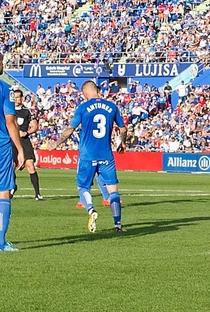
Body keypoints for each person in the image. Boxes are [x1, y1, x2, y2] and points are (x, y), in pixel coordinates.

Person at [50, 81, 127, 233]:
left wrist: (56, 143)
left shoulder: (83, 108)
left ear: (85, 93)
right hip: (106, 155)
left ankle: (91, 210)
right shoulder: (112, 107)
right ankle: (118, 224)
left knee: (82, 186)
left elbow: (69, 131)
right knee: (113, 191)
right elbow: (123, 129)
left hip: (87, 155)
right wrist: (122, 143)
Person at [0, 57, 25, 252]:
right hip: (1, 146)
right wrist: (20, 149)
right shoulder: (5, 88)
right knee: (4, 191)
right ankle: (0, 242)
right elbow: (10, 121)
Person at [13, 90, 43, 200]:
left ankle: (37, 194)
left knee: (30, 165)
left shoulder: (27, 111)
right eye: (15, 97)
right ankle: (12, 186)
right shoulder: (8, 110)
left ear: (22, 98)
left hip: (24, 141)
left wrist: (26, 132)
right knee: (11, 166)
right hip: (11, 141)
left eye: (18, 97)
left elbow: (35, 126)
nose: (16, 100)